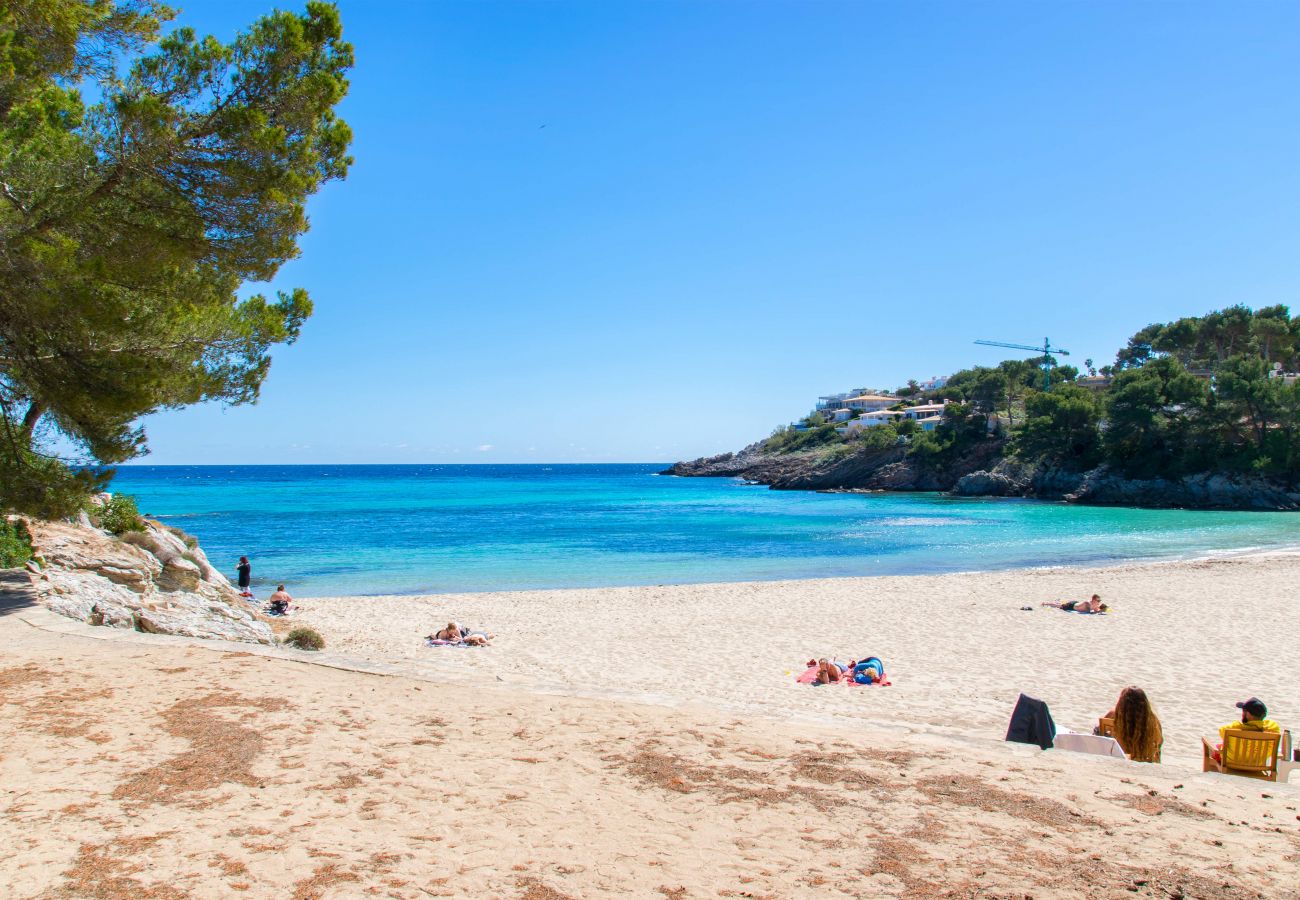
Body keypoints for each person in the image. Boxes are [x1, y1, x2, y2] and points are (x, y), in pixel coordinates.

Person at [1104, 686, 1163, 763]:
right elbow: (1157, 749)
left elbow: (1099, 738)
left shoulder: (1112, 715)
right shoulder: (1153, 721)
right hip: (1142, 762)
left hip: (1116, 760)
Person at [1041, 594, 1107, 614]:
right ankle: (1046, 603)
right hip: (1071, 606)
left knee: (1060, 604)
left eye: (1100, 600)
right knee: (1058, 606)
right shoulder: (1088, 603)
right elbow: (1088, 612)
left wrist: (1102, 609)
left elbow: (1096, 611)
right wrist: (1100, 610)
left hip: (1076, 603)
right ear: (1093, 600)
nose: (1099, 602)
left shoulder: (1096, 605)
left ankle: (1057, 601)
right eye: (1098, 600)